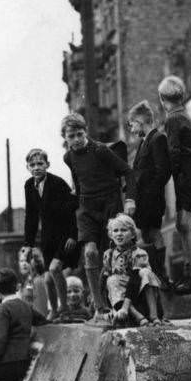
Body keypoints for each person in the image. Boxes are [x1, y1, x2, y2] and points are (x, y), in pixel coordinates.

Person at [61, 112, 132, 321]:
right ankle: (99, 307)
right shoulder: (68, 157)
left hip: (110, 202)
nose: (76, 140)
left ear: (86, 132)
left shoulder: (100, 150)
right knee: (90, 253)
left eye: (79, 134)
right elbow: (77, 183)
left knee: (112, 255)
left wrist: (130, 200)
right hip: (87, 207)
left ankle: (119, 302)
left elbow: (127, 171)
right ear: (65, 137)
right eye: (71, 136)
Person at [158, 76, 191, 294]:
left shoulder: (173, 119)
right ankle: (190, 270)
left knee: (186, 222)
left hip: (188, 175)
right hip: (189, 175)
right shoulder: (182, 115)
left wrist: (160, 175)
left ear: (162, 99)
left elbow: (174, 152)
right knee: (181, 224)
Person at [22, 148, 79, 319]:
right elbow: (31, 216)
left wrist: (73, 235)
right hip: (48, 238)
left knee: (55, 269)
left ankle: (65, 310)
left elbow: (73, 208)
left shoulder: (57, 183)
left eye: (40, 163)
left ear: (47, 165)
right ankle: (53, 311)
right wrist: (28, 244)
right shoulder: (29, 185)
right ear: (28, 167)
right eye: (32, 165)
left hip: (65, 235)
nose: (36, 167)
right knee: (47, 279)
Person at [124, 100, 172, 287]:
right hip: (143, 199)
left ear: (141, 121)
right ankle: (155, 274)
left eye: (133, 124)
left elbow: (163, 171)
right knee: (146, 234)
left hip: (151, 199)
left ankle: (161, 274)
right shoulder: (144, 142)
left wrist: (150, 193)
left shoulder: (157, 138)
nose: (132, 128)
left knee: (154, 232)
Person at [101, 214, 165, 326]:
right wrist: (104, 307)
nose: (119, 234)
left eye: (124, 230)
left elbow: (135, 280)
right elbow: (103, 282)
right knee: (111, 280)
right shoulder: (108, 255)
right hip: (120, 301)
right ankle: (137, 317)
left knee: (145, 272)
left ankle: (154, 316)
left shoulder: (139, 253)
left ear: (132, 234)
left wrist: (125, 306)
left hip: (139, 294)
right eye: (115, 231)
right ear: (111, 235)